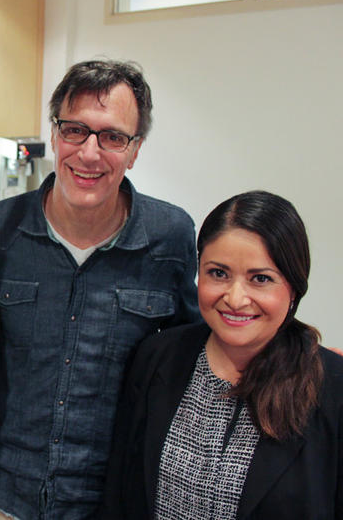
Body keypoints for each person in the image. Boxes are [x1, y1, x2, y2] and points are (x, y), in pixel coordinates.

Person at [0, 60, 200, 519]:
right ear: (55, 135)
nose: (90, 153)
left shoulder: (169, 236)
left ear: (135, 150)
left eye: (113, 137)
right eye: (76, 130)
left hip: (105, 499)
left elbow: (191, 349)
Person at [102, 190, 343, 519]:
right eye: (219, 273)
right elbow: (120, 495)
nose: (236, 298)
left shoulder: (332, 387)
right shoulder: (157, 357)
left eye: (260, 279)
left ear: (294, 287)